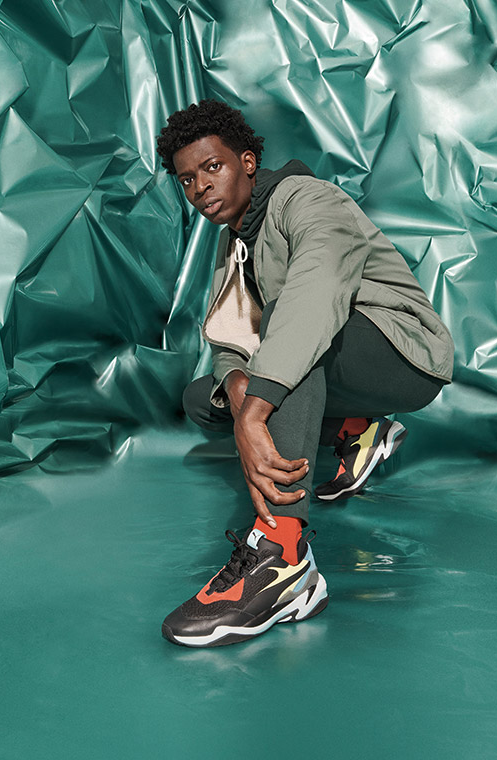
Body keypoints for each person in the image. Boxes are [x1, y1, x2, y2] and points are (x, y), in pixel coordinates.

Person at [156, 99, 454, 648]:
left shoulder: (309, 199)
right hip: (330, 357)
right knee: (206, 397)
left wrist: (256, 411)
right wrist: (237, 386)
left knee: (286, 341)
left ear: (247, 162)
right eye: (187, 179)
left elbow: (314, 299)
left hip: (403, 354)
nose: (200, 187)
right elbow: (228, 335)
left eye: (212, 167)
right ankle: (354, 431)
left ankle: (284, 559)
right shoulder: (234, 242)